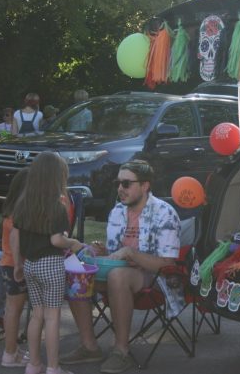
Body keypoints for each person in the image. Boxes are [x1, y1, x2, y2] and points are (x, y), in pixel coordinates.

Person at [60, 159, 181, 374]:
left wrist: (130, 253)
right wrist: (102, 250)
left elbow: (167, 263)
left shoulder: (164, 213)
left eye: (126, 184)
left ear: (145, 186)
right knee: (76, 274)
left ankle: (121, 351)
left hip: (154, 278)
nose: (120, 189)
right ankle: (89, 346)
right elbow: (115, 251)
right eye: (118, 183)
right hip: (120, 269)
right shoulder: (117, 211)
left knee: (117, 276)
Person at [12, 152, 85, 374]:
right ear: (57, 178)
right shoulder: (57, 206)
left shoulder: (23, 203)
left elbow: (15, 236)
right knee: (52, 317)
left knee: (36, 315)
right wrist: (73, 243)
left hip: (31, 265)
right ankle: (54, 367)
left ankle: (33, 364)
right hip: (51, 264)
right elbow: (56, 240)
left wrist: (18, 264)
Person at [0, 168, 30, 367]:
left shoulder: (10, 210)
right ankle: (10, 354)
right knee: (14, 310)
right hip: (16, 266)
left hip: (7, 263)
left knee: (11, 309)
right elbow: (18, 241)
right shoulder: (21, 214)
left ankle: (12, 351)